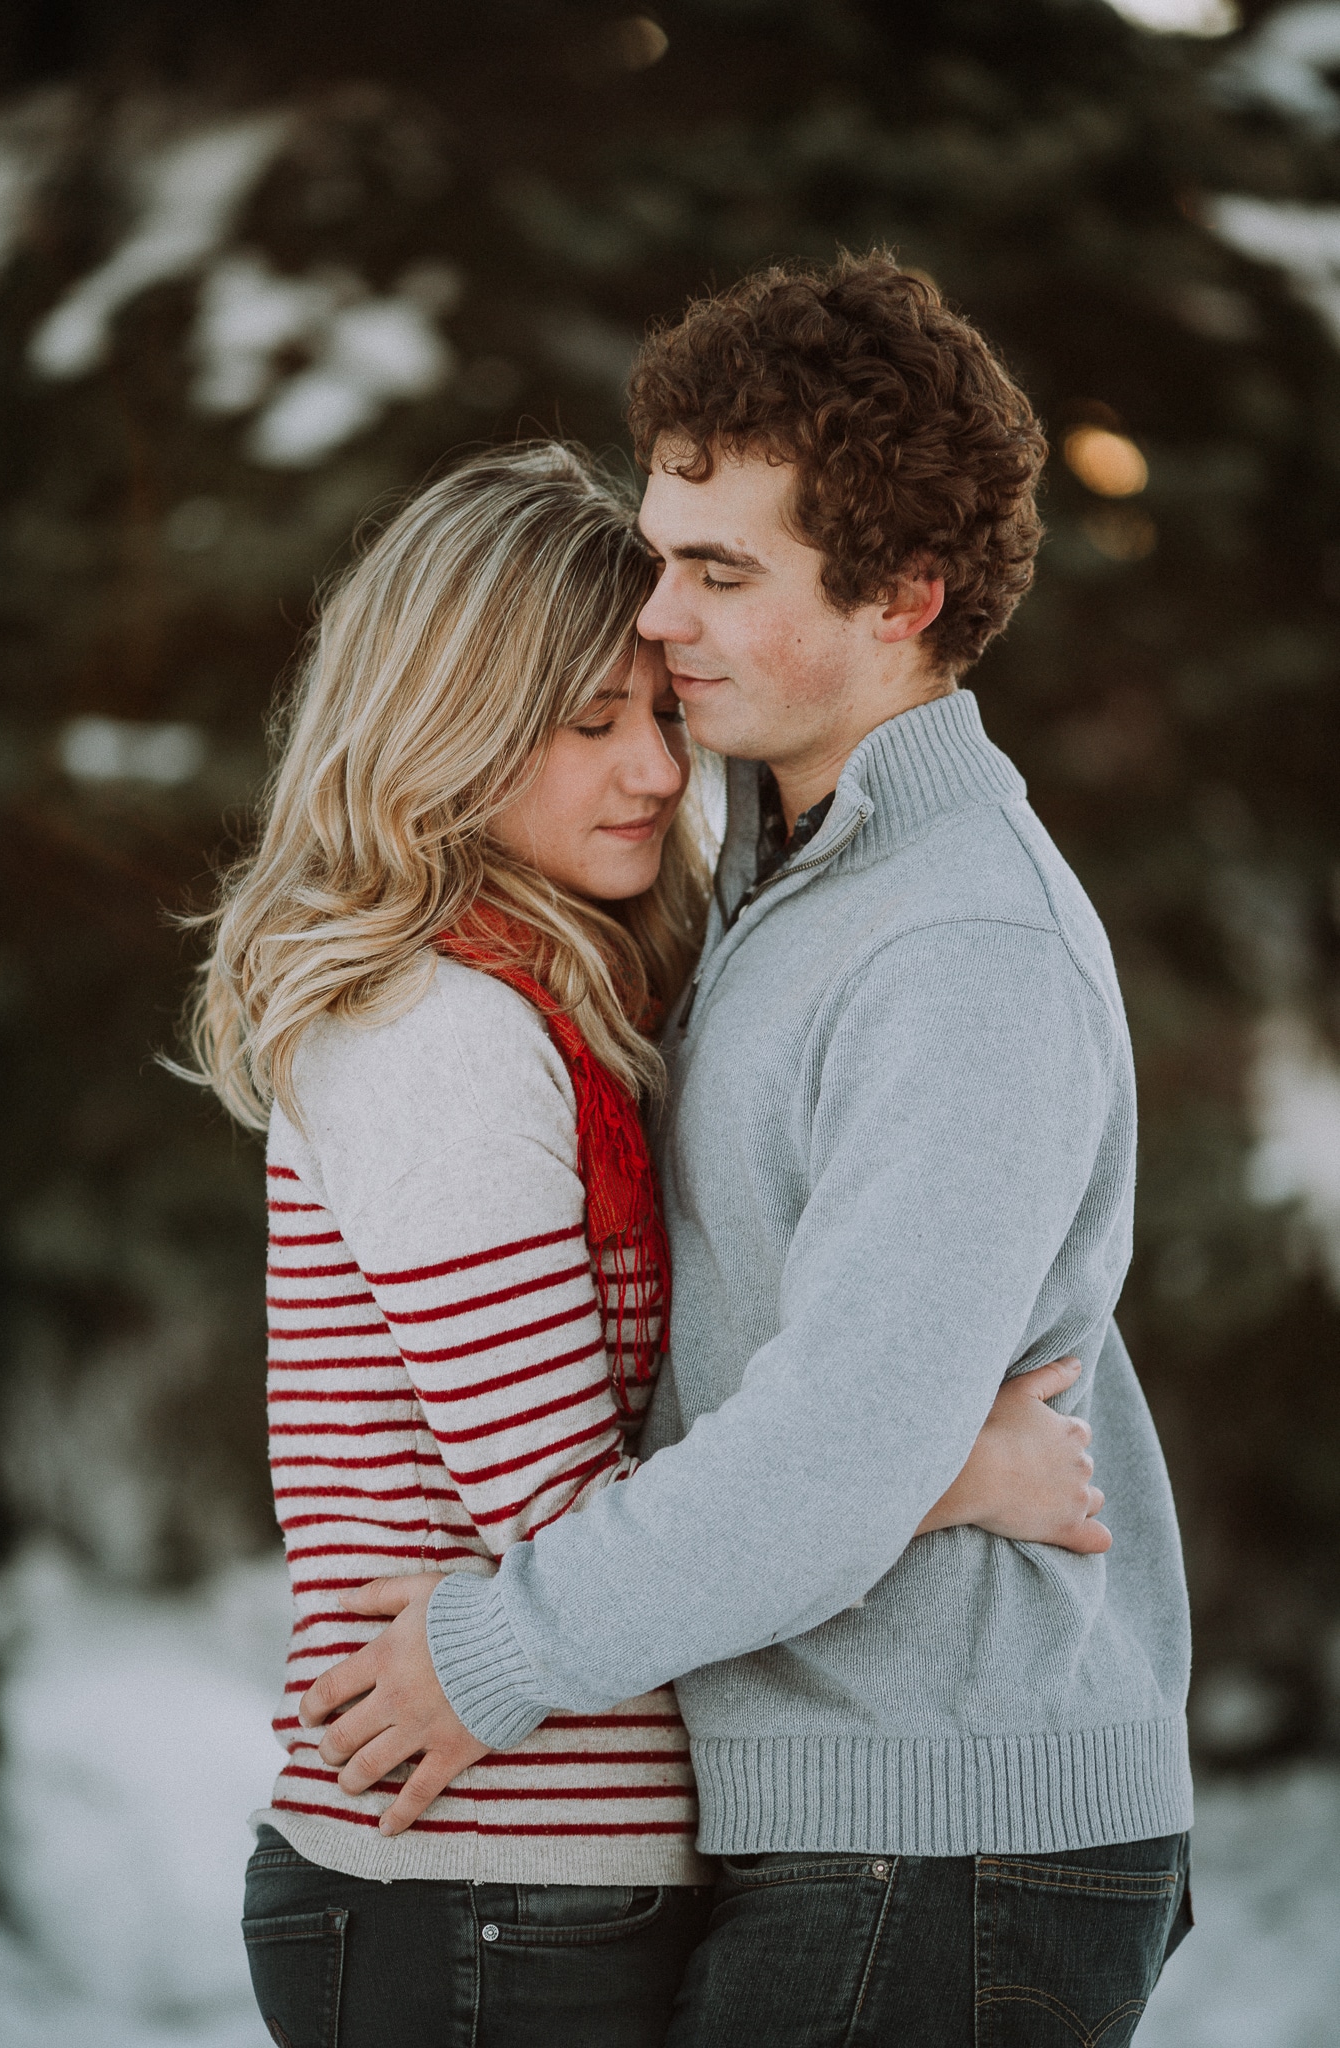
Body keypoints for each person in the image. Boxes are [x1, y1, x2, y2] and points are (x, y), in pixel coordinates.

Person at [304, 255, 1194, 2047]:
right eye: (663, 558)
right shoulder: (793, 890)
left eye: (722, 574)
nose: (663, 618)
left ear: (904, 599)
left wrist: (494, 1650)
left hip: (941, 1841)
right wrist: (928, 1468)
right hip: (850, 1829)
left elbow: (835, 1443)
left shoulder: (956, 942)